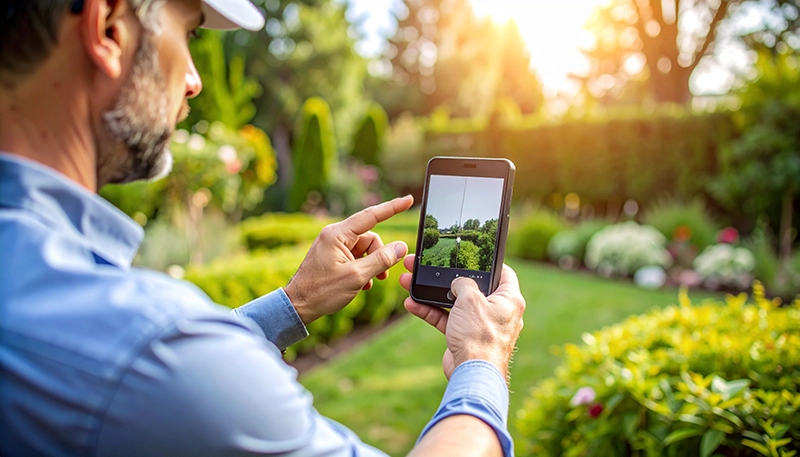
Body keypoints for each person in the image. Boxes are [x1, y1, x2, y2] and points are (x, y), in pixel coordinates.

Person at [0, 0, 526, 456]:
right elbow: (156, 368)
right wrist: (482, 359)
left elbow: (130, 372)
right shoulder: (150, 348)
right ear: (108, 26)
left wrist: (293, 303)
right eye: (189, 34)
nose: (193, 79)